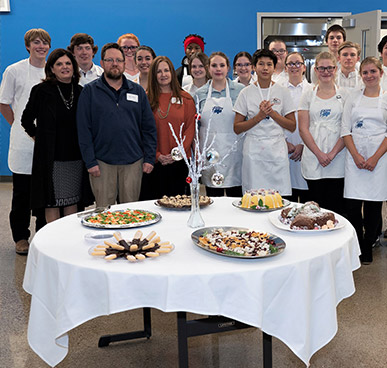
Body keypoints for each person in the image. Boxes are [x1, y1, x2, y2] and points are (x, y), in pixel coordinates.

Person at [76, 43, 157, 207]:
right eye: (110, 60)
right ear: (102, 62)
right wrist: (90, 162)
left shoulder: (137, 91)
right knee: (104, 214)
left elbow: (148, 128)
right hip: (102, 163)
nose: (115, 64)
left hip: (133, 162)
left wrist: (149, 158)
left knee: (131, 212)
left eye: (119, 60)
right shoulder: (89, 92)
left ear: (125, 63)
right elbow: (84, 130)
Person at [21, 49, 93, 223]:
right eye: (59, 64)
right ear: (52, 68)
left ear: (73, 67)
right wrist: (38, 138)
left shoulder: (81, 91)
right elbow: (26, 120)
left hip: (75, 158)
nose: (64, 67)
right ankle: (52, 244)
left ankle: (68, 244)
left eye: (68, 63)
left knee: (72, 201)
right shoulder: (41, 90)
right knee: (51, 203)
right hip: (50, 159)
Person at [0, 28, 50, 254]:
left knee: (45, 193)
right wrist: (19, 128)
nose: (41, 46)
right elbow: (3, 103)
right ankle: (21, 237)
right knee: (21, 194)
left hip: (48, 143)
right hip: (23, 143)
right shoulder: (14, 70)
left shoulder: (54, 69)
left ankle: (42, 235)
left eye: (45, 43)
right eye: (36, 43)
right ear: (28, 46)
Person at [341, 57, 387, 263]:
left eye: (373, 72)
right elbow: (345, 130)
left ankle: (368, 244)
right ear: (361, 76)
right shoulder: (352, 97)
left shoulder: (386, 98)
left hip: (379, 158)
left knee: (373, 206)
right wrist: (357, 156)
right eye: (365, 72)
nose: (369, 76)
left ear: (381, 73)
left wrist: (375, 158)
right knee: (352, 205)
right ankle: (357, 243)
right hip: (355, 157)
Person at [233, 49, 296, 195]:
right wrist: (259, 117)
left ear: (274, 67)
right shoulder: (246, 92)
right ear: (254, 67)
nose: (265, 68)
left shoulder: (283, 91)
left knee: (279, 198)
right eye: (261, 64)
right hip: (254, 151)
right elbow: (237, 127)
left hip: (277, 150)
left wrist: (272, 114)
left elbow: (292, 125)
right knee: (254, 198)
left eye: (269, 64)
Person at [298, 51, 348, 215]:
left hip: (338, 156)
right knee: (315, 206)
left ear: (336, 69)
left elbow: (347, 129)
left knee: (337, 207)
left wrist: (332, 153)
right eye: (322, 68)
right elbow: (303, 128)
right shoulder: (307, 95)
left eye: (329, 68)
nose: (326, 71)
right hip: (314, 157)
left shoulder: (346, 95)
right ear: (316, 70)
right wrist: (319, 154)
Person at [140, 56, 196, 200]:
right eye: (159, 71)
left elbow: (190, 129)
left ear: (172, 72)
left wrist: (178, 154)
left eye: (166, 70)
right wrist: (157, 155)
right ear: (153, 75)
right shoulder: (145, 99)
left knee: (179, 207)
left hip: (181, 163)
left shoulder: (187, 99)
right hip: (155, 163)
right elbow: (142, 131)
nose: (163, 74)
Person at [194, 52, 245, 197]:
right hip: (210, 152)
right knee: (212, 198)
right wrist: (197, 151)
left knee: (235, 197)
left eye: (222, 65)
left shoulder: (240, 91)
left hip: (235, 152)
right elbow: (195, 126)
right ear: (208, 69)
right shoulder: (199, 94)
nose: (218, 69)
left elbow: (246, 121)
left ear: (228, 68)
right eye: (214, 65)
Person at [283, 52, 312, 203]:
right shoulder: (278, 90)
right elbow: (274, 119)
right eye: (291, 64)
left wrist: (303, 144)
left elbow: (314, 122)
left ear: (304, 67)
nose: (294, 67)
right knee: (288, 198)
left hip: (307, 148)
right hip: (284, 148)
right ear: (285, 67)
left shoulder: (313, 90)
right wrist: (284, 141)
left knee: (307, 198)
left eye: (298, 63)